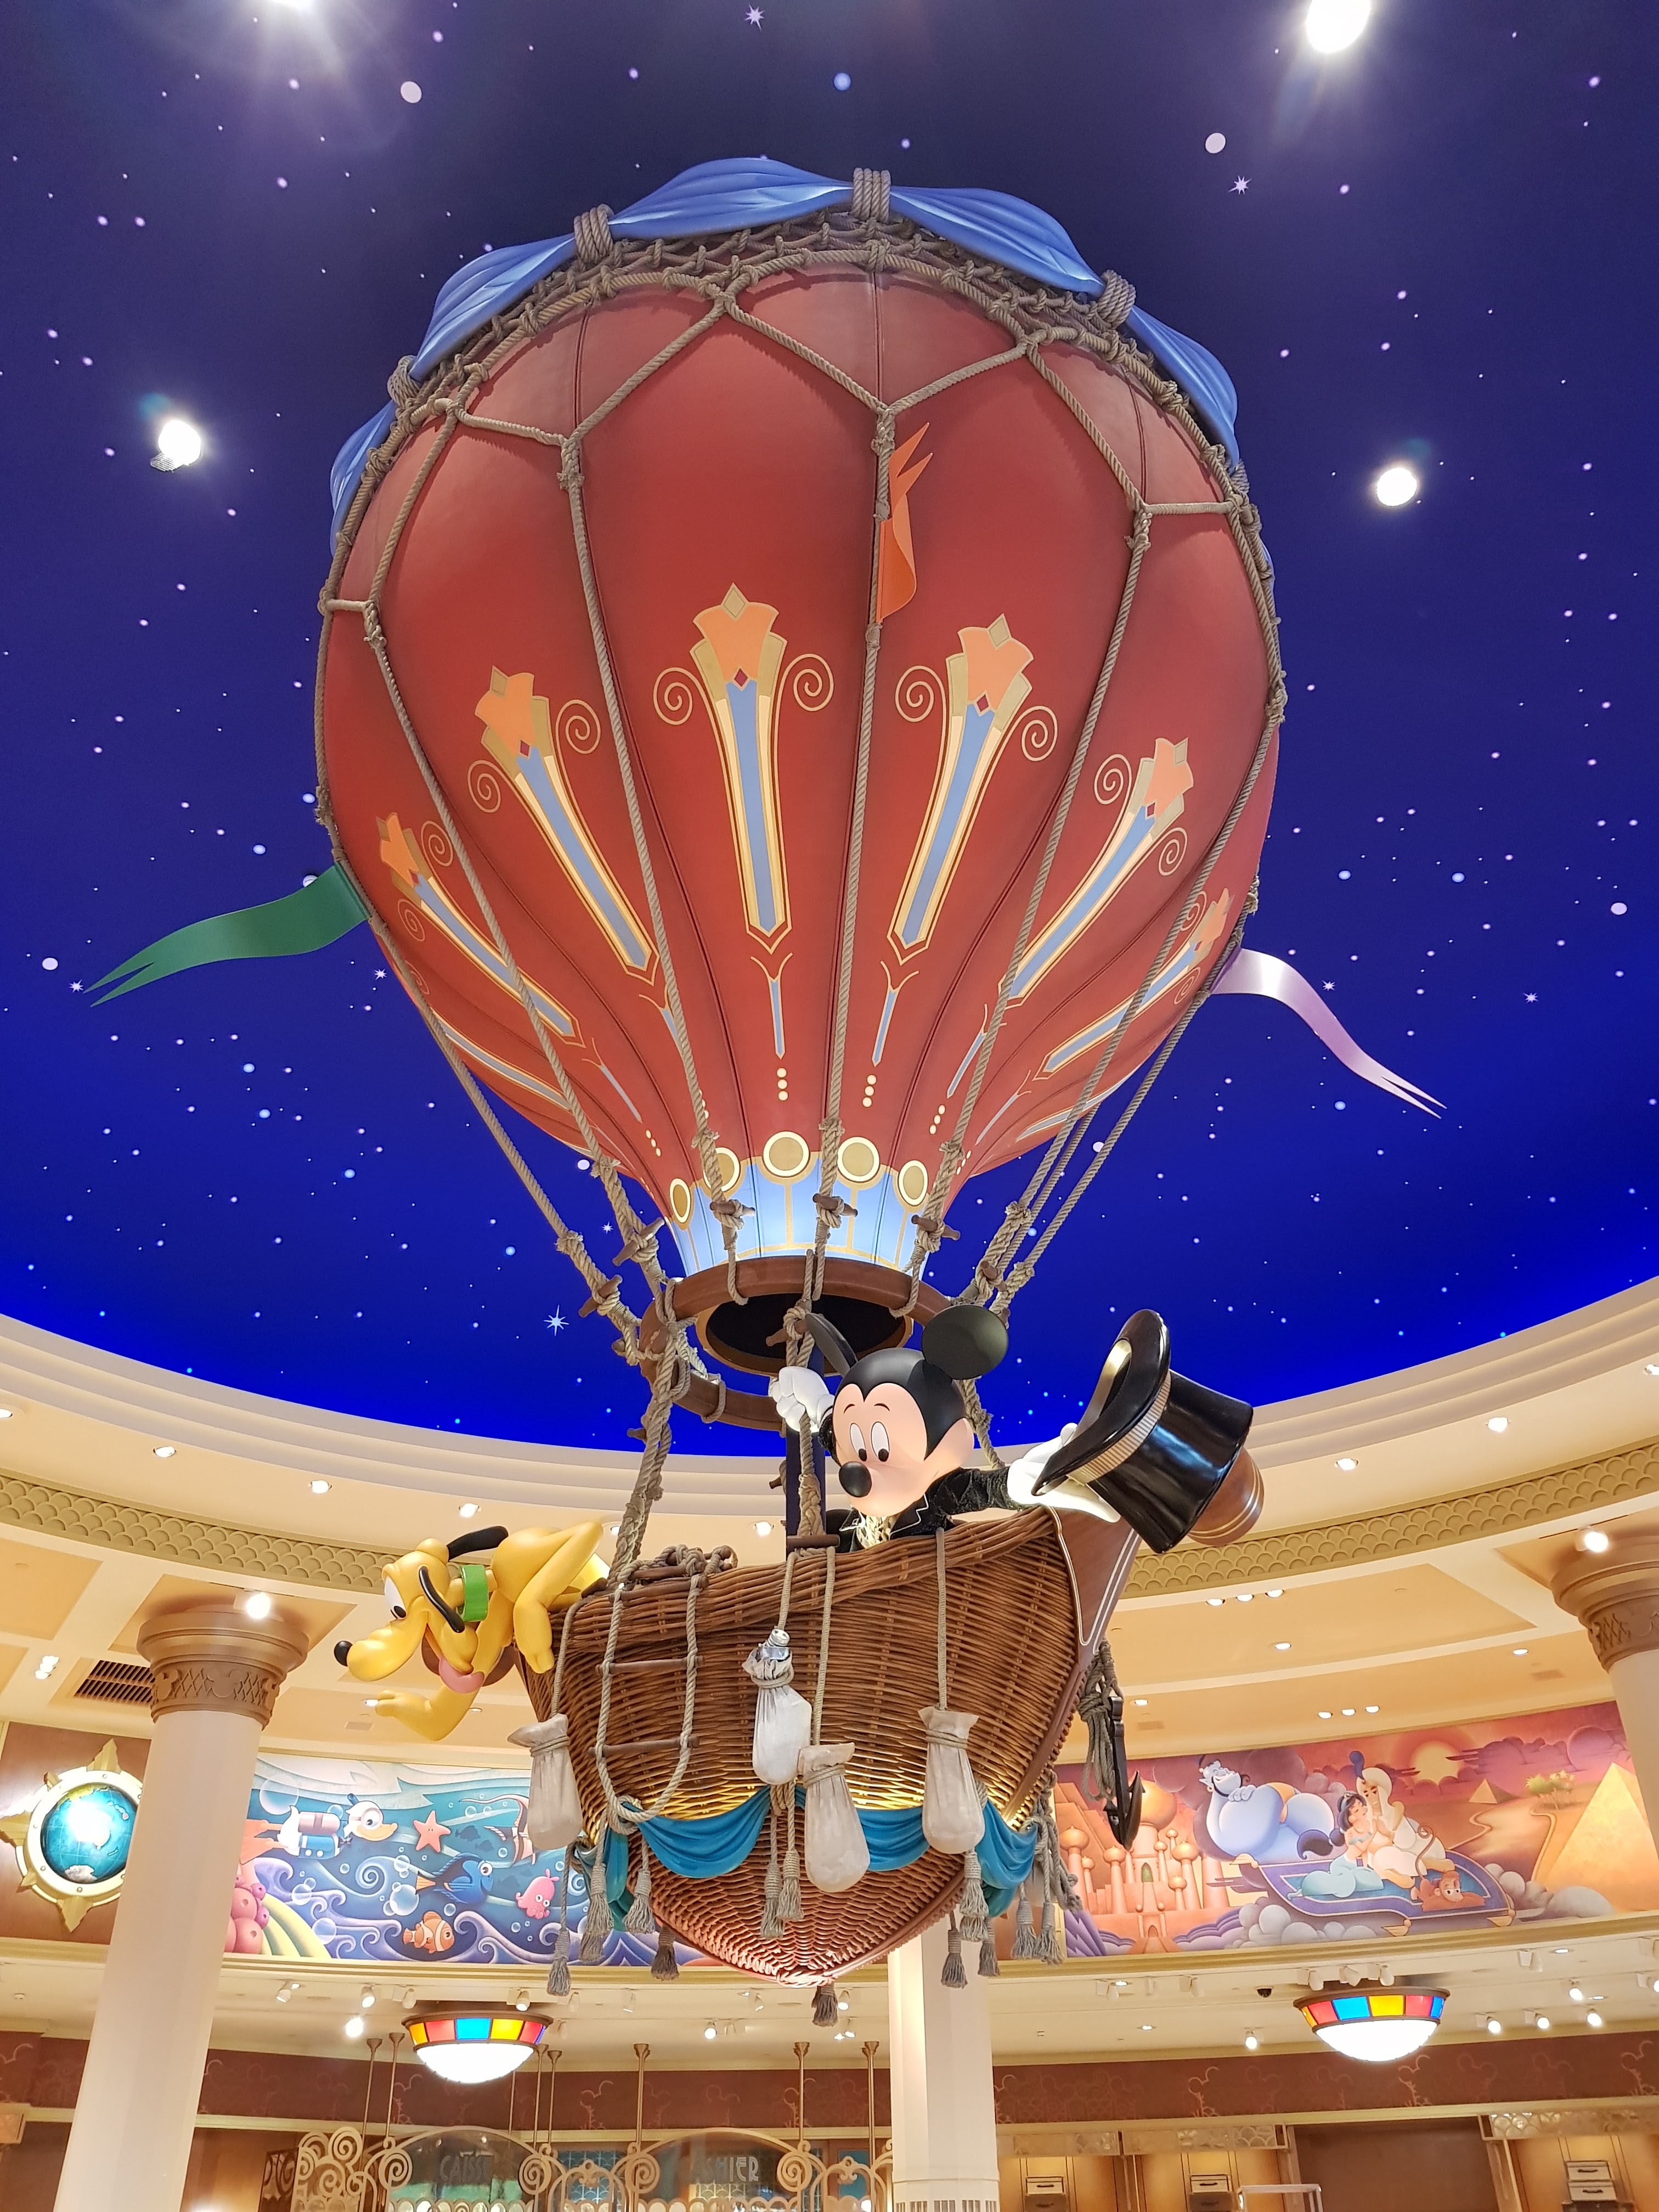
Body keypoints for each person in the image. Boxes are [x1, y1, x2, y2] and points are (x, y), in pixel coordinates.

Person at [768, 1306, 1256, 1555]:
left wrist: (1023, 1484)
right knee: (818, 1533)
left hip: (911, 1618)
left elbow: (984, 1490)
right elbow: (839, 1435)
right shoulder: (853, 1517)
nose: (859, 1470)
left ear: (948, 1443)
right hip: (857, 1617)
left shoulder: (936, 1498)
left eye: (879, 1448)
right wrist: (819, 1404)